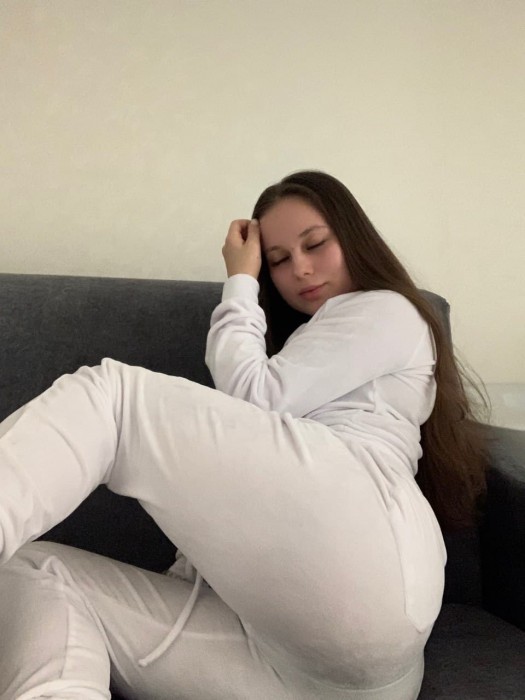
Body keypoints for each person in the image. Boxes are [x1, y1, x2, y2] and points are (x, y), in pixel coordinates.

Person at [0, 171, 488, 700]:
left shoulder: (387, 308)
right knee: (35, 571)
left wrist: (240, 278)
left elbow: (255, 396)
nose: (300, 269)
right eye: (278, 260)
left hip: (368, 555)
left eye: (315, 244)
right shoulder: (316, 344)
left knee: (112, 398)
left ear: (354, 237)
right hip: (325, 663)